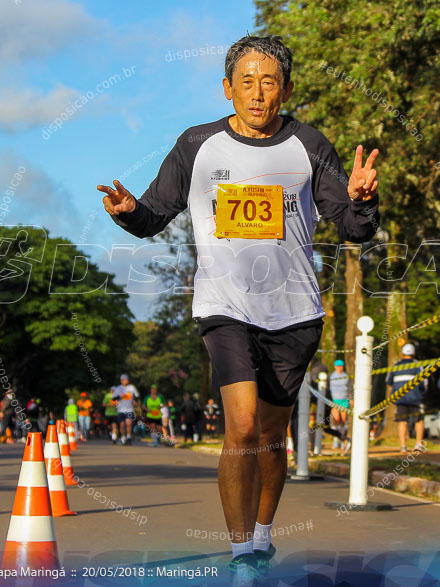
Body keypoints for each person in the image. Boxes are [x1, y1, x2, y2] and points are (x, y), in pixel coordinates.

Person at [97, 35, 379, 578]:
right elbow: (156, 211)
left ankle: (264, 533)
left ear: (286, 89)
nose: (257, 93)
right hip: (224, 306)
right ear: (227, 88)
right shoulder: (196, 145)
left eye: (269, 82)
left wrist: (364, 202)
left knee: (272, 436)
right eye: (246, 82)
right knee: (243, 426)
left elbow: (351, 227)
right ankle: (240, 554)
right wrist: (128, 211)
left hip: (295, 311)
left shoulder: (311, 145)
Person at [386, 343, 427, 454]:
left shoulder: (396, 365)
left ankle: (403, 446)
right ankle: (418, 444)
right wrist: (421, 393)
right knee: (419, 420)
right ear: (413, 353)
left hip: (400, 398)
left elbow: (388, 381)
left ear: (402, 353)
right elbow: (424, 382)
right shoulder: (418, 365)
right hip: (415, 398)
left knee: (402, 421)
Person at [328, 359, 352, 452]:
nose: (339, 367)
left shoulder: (346, 376)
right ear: (335, 366)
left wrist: (350, 398)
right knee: (335, 420)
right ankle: (335, 440)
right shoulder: (331, 376)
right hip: (335, 400)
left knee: (343, 420)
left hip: (344, 400)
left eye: (341, 366)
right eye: (338, 366)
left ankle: (342, 440)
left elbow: (350, 388)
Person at [112, 375, 139, 445]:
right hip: (120, 410)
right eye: (123, 380)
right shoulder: (118, 388)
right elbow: (113, 398)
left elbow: (137, 396)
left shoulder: (132, 387)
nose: (125, 381)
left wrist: (135, 401)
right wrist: (120, 396)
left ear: (128, 380)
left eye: (126, 379)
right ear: (121, 381)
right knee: (122, 425)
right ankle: (123, 437)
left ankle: (129, 437)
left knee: (128, 423)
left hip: (129, 409)